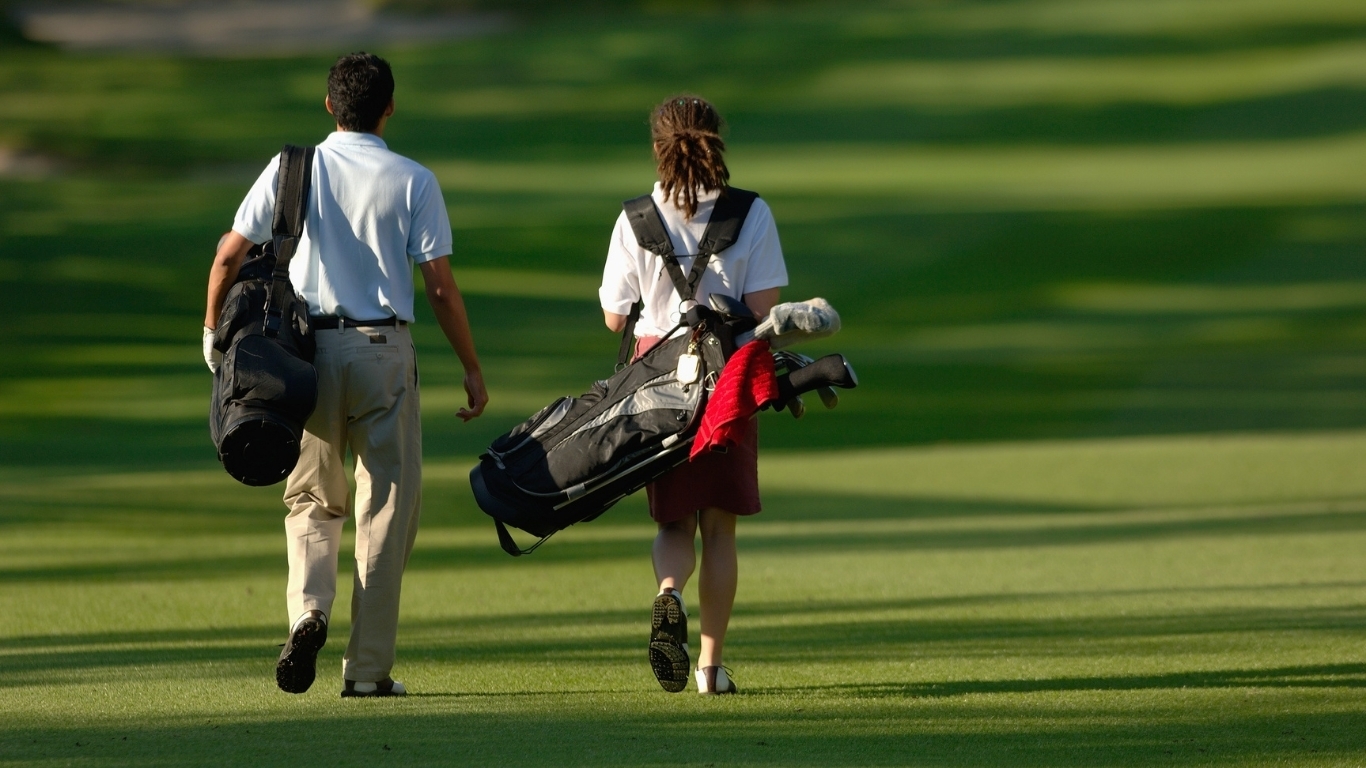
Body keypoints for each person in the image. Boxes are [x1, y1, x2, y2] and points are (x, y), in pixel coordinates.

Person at [202, 52, 488, 698]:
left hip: (301, 359)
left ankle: (309, 611)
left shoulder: (290, 169)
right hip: (384, 352)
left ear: (329, 106)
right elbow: (440, 290)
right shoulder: (415, 180)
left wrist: (211, 337)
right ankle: (366, 672)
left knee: (311, 499)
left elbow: (227, 257)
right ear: (390, 107)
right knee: (385, 508)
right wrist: (471, 367)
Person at [599, 96, 788, 695]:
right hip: (726, 375)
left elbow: (612, 317)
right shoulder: (750, 212)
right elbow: (764, 311)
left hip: (658, 377)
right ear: (715, 141)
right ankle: (710, 668)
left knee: (674, 522)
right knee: (721, 529)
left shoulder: (635, 217)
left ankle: (668, 594)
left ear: (658, 147)